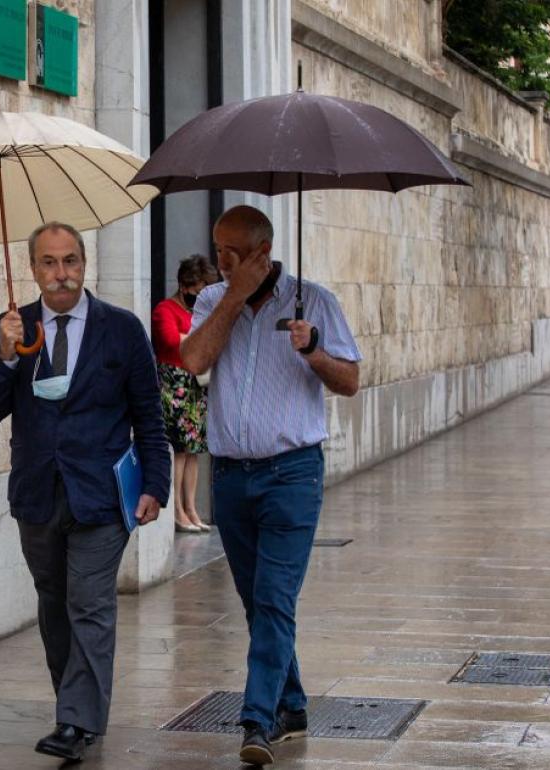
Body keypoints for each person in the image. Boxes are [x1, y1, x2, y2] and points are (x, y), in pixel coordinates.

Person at [0, 221, 171, 762]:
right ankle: (76, 706)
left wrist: (156, 482)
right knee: (54, 603)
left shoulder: (122, 329)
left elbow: (148, 414)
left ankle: (76, 721)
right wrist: (7, 356)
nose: (61, 274)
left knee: (89, 602)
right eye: (49, 263)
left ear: (85, 265)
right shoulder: (13, 328)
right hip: (37, 493)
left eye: (70, 262)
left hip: (101, 495)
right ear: (33, 269)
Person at [180, 206, 361, 766]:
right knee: (256, 600)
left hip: (292, 474)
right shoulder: (213, 301)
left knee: (274, 598)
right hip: (232, 477)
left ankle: (256, 720)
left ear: (263, 251)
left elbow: (350, 380)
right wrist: (234, 294)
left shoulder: (314, 301)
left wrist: (312, 351)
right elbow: (193, 360)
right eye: (218, 252)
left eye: (232, 254)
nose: (221, 262)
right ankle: (294, 703)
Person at [151, 255, 218, 533]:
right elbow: (167, 339)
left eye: (204, 289)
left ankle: (191, 508)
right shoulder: (165, 309)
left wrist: (191, 339)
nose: (199, 295)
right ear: (183, 285)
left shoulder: (198, 313)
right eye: (196, 289)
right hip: (174, 383)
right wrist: (196, 340)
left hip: (195, 383)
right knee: (179, 450)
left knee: (194, 451)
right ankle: (177, 510)